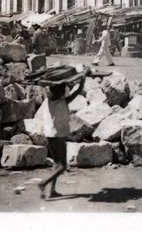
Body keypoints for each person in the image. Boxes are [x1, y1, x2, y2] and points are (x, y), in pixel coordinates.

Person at [37, 72, 87, 200]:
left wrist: (43, 78)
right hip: (59, 136)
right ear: (61, 92)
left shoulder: (47, 100)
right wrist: (83, 77)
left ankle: (51, 191)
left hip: (49, 135)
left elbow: (43, 85)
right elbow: (79, 90)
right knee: (63, 166)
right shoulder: (64, 101)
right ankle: (43, 183)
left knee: (56, 163)